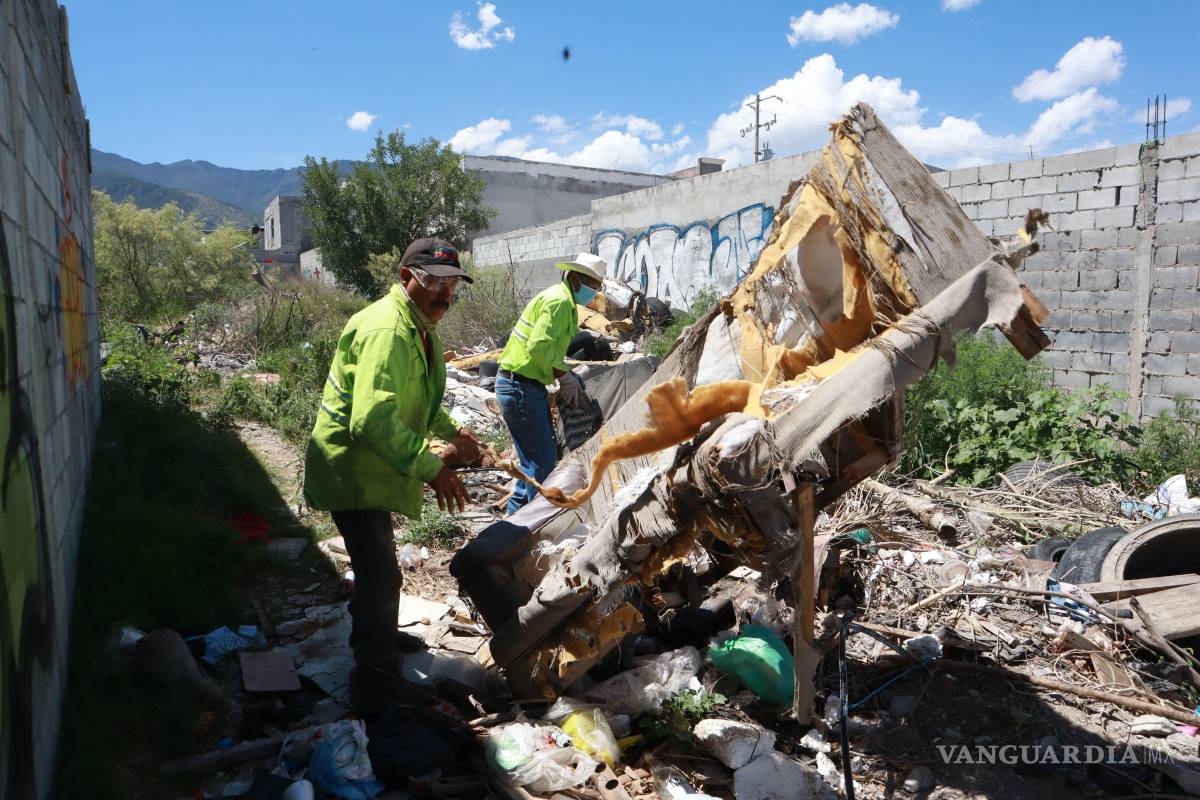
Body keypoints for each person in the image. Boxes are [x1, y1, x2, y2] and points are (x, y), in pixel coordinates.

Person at [303, 237, 484, 714]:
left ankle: (376, 635)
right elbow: (373, 419)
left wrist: (456, 431)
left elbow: (417, 400)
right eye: (434, 284)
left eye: (451, 286)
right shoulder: (388, 330)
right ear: (406, 278)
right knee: (381, 574)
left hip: (373, 468)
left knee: (376, 569)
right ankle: (375, 675)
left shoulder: (419, 326)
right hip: (352, 469)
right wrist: (434, 469)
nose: (445, 296)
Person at [495, 252, 605, 515]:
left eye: (599, 287)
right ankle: (527, 532)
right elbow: (539, 346)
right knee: (542, 467)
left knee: (534, 466)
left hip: (523, 386)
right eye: (593, 286)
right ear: (576, 279)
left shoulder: (565, 303)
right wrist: (563, 376)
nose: (595, 292)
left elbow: (549, 349)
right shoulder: (557, 302)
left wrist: (566, 372)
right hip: (519, 385)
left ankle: (510, 529)